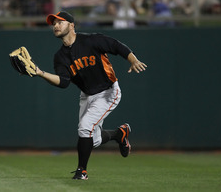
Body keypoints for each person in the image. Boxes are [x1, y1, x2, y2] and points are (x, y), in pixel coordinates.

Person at [35, 11, 147, 180]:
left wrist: (133, 59)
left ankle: (82, 171)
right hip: (87, 95)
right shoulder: (59, 57)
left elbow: (116, 46)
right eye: (54, 23)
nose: (55, 26)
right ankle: (119, 134)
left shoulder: (91, 40)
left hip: (108, 92)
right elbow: (64, 82)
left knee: (85, 127)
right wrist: (40, 73)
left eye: (60, 22)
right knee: (91, 140)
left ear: (72, 25)